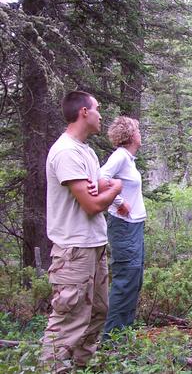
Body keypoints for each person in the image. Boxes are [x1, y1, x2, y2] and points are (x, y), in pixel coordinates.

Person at [42, 91, 122, 372]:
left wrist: (105, 190)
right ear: (84, 112)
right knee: (68, 323)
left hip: (94, 246)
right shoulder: (65, 152)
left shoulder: (86, 151)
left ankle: (81, 368)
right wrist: (115, 189)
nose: (101, 115)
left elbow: (99, 189)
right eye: (98, 109)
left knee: (97, 314)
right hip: (73, 251)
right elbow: (91, 204)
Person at [99, 116, 146, 339]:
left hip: (134, 226)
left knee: (134, 278)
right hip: (123, 227)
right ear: (130, 135)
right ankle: (112, 340)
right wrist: (118, 202)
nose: (140, 133)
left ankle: (124, 334)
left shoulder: (129, 159)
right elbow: (101, 178)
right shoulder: (119, 156)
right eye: (137, 130)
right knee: (126, 279)